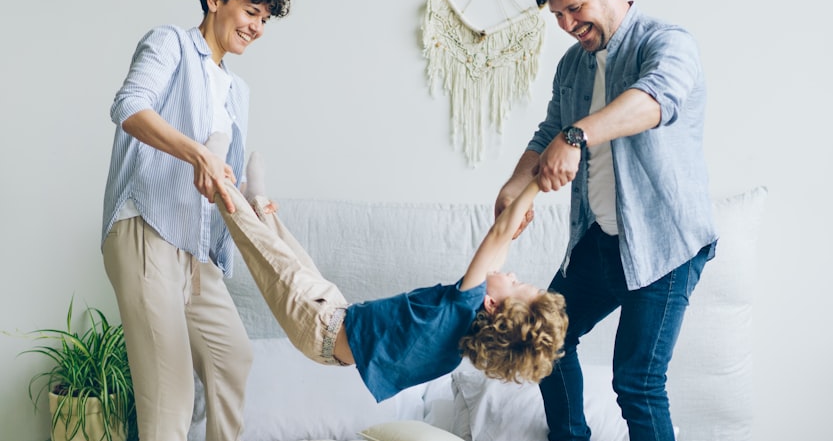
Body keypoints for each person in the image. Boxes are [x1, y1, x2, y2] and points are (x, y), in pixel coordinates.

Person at [493, 0, 717, 441]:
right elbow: (548, 131)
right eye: (559, 15)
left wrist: (578, 137)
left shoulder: (666, 43)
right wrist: (513, 189)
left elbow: (651, 103)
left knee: (637, 380)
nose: (568, 24)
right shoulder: (572, 65)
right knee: (547, 335)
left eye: (575, 9)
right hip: (602, 239)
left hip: (667, 243)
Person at [100, 0, 291, 441]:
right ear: (215, 0)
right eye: (250, 11)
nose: (256, 27)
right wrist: (194, 156)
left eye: (264, 19)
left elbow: (222, 175)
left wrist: (254, 206)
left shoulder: (237, 91)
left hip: (194, 245)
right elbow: (128, 105)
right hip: (144, 228)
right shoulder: (169, 45)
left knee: (233, 355)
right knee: (170, 382)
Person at [207, 156, 567, 403]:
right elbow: (502, 246)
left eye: (519, 285)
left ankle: (215, 179)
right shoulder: (458, 343)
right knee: (287, 254)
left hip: (322, 324)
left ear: (491, 304)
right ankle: (257, 199)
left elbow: (499, 234)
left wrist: (537, 181)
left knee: (266, 253)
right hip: (333, 320)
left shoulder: (462, 304)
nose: (514, 274)